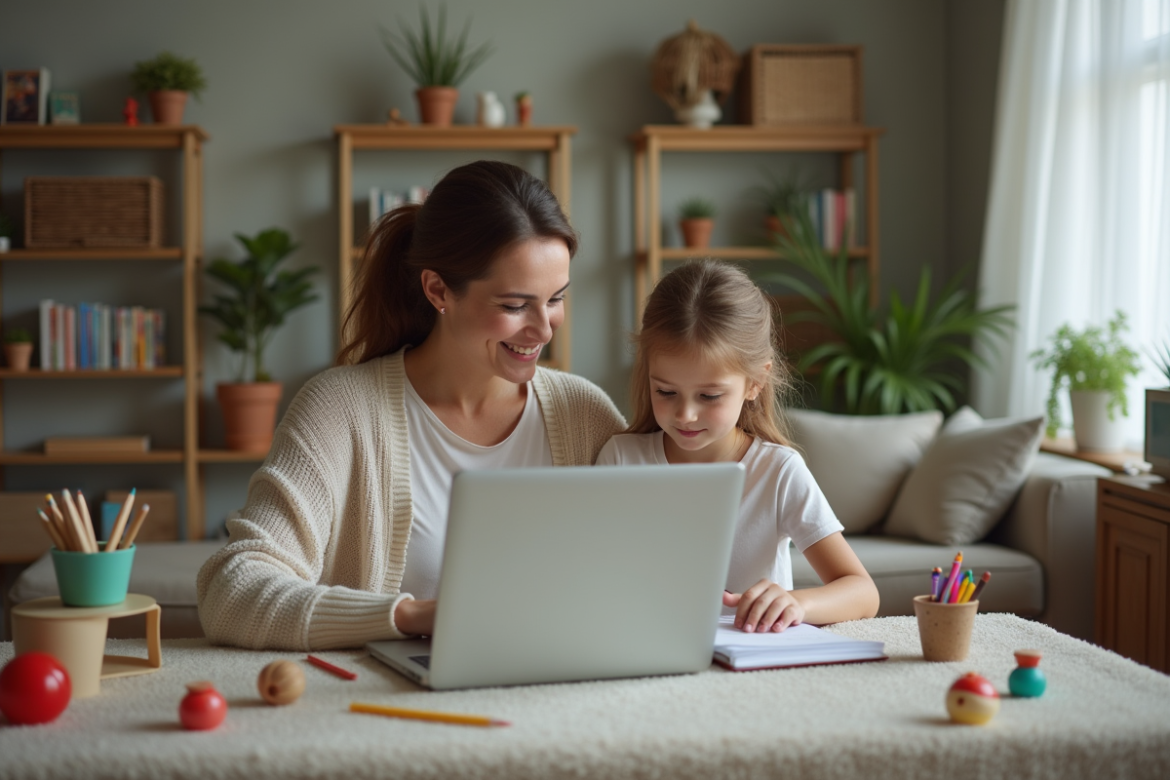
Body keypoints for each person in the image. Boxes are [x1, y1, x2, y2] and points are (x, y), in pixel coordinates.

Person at [197, 161, 625, 650]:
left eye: (556, 299)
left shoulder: (585, 414)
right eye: (514, 305)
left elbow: (655, 561)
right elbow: (230, 591)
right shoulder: (340, 411)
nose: (545, 329)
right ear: (438, 290)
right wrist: (413, 616)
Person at [596, 259, 878, 633]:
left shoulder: (778, 471)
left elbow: (863, 593)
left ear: (755, 382)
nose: (686, 415)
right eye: (665, 391)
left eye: (709, 396)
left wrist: (797, 602)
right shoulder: (620, 459)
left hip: (747, 667)